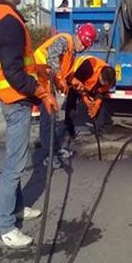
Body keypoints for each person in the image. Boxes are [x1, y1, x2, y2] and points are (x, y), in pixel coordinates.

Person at [0, 0, 58, 249]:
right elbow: (15, 73)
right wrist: (41, 92)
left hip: (13, 100)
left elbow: (21, 64)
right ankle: (5, 227)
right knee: (14, 166)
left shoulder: (6, 16)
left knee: (16, 159)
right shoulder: (7, 23)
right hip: (15, 102)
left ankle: (16, 208)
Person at [33, 23, 97, 168]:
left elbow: (66, 72)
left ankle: (55, 149)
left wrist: (74, 82)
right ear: (80, 37)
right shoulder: (64, 40)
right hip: (40, 77)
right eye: (84, 45)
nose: (84, 49)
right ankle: (48, 156)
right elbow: (52, 56)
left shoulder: (71, 52)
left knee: (53, 118)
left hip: (47, 81)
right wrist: (60, 76)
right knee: (47, 118)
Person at [64, 55, 116, 137]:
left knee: (99, 106)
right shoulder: (88, 66)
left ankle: (99, 131)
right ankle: (69, 129)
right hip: (77, 80)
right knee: (71, 100)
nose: (106, 85)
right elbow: (76, 85)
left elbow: (101, 92)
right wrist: (87, 101)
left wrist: (96, 105)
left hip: (92, 85)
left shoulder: (110, 78)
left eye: (107, 84)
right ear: (100, 76)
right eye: (104, 83)